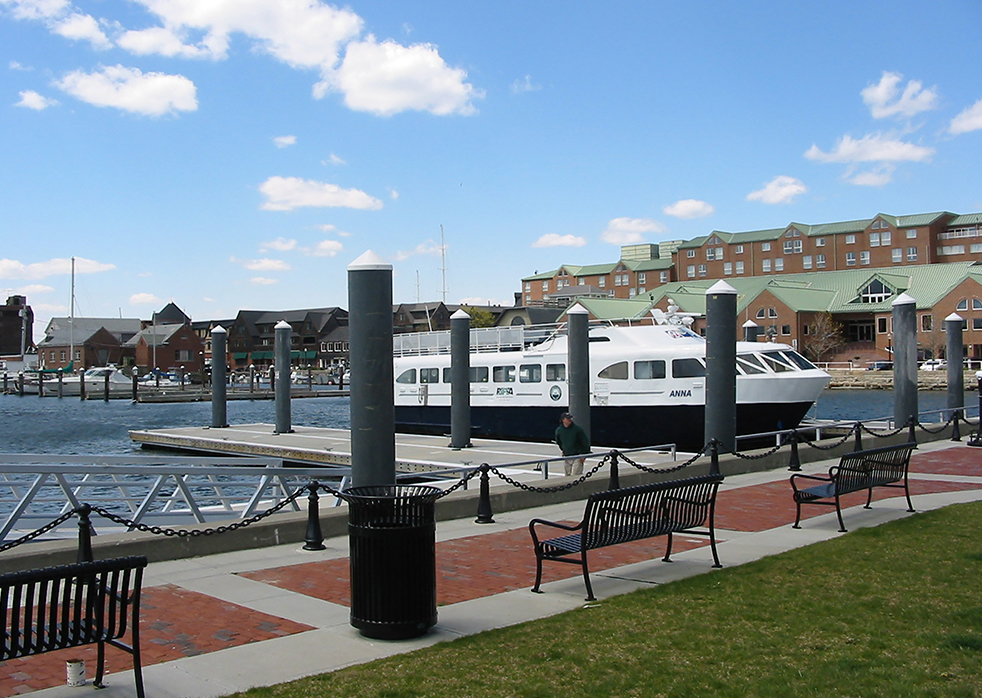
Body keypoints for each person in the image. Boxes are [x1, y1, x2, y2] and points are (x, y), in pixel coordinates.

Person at [554, 411, 590, 477]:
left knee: (575, 475)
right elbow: (559, 441)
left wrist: (584, 454)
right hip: (567, 456)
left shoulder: (577, 429)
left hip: (577, 456)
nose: (569, 420)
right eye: (567, 419)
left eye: (570, 418)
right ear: (563, 420)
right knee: (567, 475)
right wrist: (563, 450)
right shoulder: (559, 430)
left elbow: (585, 442)